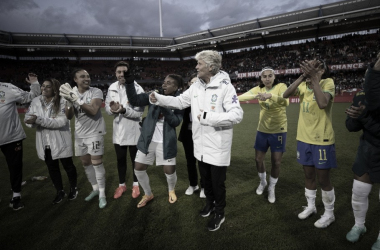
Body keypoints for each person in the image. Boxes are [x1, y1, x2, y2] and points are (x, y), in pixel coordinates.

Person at [150, 50, 244, 231]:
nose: (196, 67)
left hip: (217, 145)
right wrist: (158, 98)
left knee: (217, 184)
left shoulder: (226, 87)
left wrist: (208, 117)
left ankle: (219, 213)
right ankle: (209, 205)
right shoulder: (196, 86)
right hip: (200, 143)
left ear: (210, 66)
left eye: (199, 64)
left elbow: (237, 115)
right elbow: (179, 102)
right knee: (206, 181)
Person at [283, 59, 337, 229]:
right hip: (303, 138)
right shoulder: (303, 85)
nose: (312, 70)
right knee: (308, 175)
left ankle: (329, 213)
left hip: (322, 139)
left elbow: (322, 103)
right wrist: (302, 77)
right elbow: (285, 94)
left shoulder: (328, 82)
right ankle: (311, 207)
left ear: (323, 70)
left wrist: (314, 79)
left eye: (316, 67)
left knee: (323, 179)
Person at [125, 71, 184, 208]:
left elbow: (175, 121)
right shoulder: (154, 95)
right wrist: (129, 83)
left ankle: (171, 189)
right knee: (138, 168)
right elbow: (135, 100)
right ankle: (148, 193)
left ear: (176, 88)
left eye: (169, 83)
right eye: (164, 81)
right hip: (148, 139)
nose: (164, 84)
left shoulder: (179, 101)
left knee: (169, 170)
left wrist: (163, 104)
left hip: (166, 141)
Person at [345, 52, 380, 250]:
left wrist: (364, 116)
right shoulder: (362, 95)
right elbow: (351, 127)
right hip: (367, 149)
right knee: (359, 191)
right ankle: (359, 226)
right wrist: (355, 115)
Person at [238, 67, 289, 203]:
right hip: (262, 130)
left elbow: (286, 101)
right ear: (261, 78)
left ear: (274, 77)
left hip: (279, 130)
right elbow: (242, 97)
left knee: (276, 162)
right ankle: (263, 182)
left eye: (269, 76)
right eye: (264, 76)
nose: (267, 78)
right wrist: (249, 96)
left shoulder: (281, 86)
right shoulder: (258, 89)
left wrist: (270, 96)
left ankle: (272, 188)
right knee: (258, 159)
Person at [59, 69, 107, 209]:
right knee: (86, 163)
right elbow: (68, 116)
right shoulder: (70, 92)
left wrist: (76, 99)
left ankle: (102, 194)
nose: (87, 78)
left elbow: (93, 110)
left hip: (95, 132)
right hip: (80, 134)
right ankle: (95, 189)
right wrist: (69, 101)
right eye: (82, 76)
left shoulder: (96, 91)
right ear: (75, 79)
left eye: (88, 76)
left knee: (97, 163)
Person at [25, 78, 78, 204]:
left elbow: (62, 121)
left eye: (47, 86)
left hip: (61, 141)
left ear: (54, 89)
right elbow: (28, 117)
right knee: (52, 168)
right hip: (45, 142)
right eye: (43, 86)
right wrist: (31, 122)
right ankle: (60, 191)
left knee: (68, 166)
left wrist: (38, 120)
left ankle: (73, 188)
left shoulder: (63, 100)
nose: (43, 88)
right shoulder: (36, 101)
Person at [0, 73, 41, 210]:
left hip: (11, 137)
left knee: (15, 167)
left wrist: (34, 83)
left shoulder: (7, 88)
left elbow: (30, 96)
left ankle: (16, 196)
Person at [105, 61, 145, 200]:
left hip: (134, 131)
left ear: (129, 73)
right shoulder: (112, 88)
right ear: (115, 74)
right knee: (120, 159)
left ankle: (135, 185)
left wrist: (123, 110)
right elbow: (107, 109)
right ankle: (122, 185)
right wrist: (112, 109)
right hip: (118, 132)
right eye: (119, 72)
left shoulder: (138, 89)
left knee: (135, 160)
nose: (121, 75)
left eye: (124, 72)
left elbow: (139, 114)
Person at [178, 73, 205, 198]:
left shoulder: (204, 96)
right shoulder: (184, 97)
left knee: (202, 161)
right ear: (189, 84)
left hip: (201, 133)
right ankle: (193, 184)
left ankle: (204, 187)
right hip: (188, 134)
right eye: (192, 82)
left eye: (197, 82)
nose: (194, 84)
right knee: (190, 161)